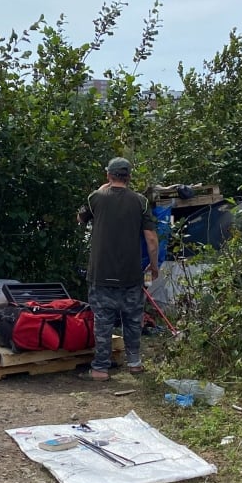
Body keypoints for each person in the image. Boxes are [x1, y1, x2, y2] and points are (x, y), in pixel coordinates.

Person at [77, 157, 159, 381]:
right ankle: (134, 363)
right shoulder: (140, 202)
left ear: (108, 175)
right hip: (131, 275)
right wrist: (153, 265)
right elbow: (151, 239)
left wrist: (98, 191)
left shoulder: (96, 198)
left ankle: (100, 369)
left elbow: (80, 218)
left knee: (102, 322)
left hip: (101, 274)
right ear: (129, 177)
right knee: (133, 319)